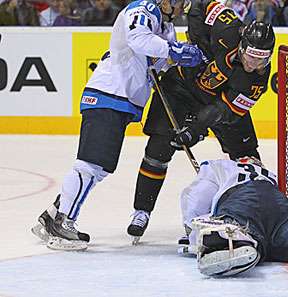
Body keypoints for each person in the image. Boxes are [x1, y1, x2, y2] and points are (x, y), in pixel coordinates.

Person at [30, 0, 205, 251]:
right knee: (90, 166)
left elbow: (158, 62)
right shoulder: (143, 9)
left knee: (97, 168)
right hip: (108, 95)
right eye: (179, 2)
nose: (182, 7)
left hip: (119, 101)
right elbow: (138, 39)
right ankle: (62, 222)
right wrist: (174, 50)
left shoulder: (166, 28)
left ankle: (53, 215)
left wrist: (181, 57)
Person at [126, 14, 275, 242]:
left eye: (261, 60)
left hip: (219, 104)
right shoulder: (228, 28)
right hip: (180, 88)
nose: (254, 65)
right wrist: (195, 38)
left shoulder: (255, 82)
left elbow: (222, 111)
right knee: (159, 147)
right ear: (242, 44)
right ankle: (141, 211)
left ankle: (255, 215)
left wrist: (194, 129)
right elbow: (199, 7)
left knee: (247, 158)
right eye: (251, 56)